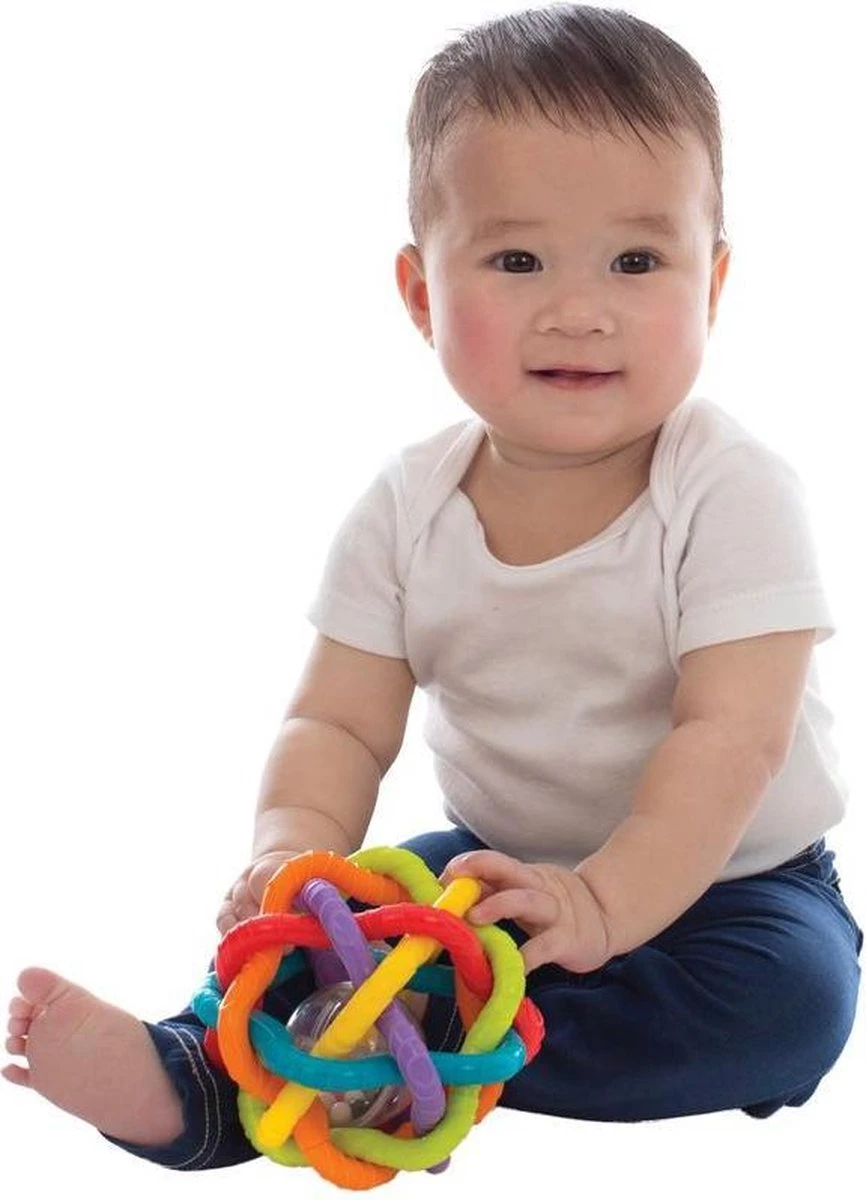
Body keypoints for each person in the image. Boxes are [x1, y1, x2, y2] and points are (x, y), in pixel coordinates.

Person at [3, 2, 862, 1172]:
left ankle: (407, 1057)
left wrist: (601, 906)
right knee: (334, 920)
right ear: (420, 296)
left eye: (635, 260)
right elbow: (335, 722)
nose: (577, 308)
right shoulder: (407, 506)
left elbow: (731, 740)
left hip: (736, 881)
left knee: (792, 1005)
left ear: (709, 284)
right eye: (515, 260)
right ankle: (202, 1071)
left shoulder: (728, 489)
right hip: (490, 865)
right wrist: (290, 852)